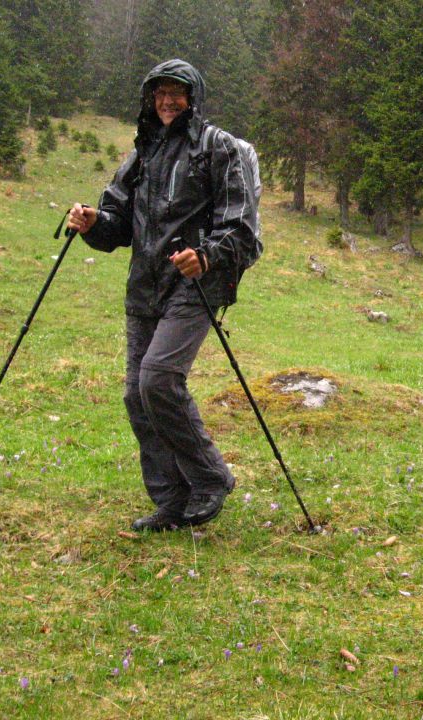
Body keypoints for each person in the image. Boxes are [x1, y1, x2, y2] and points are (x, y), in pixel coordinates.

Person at [67, 59, 261, 531]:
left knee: (158, 380)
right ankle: (171, 500)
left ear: (193, 97)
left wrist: (207, 256)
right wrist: (94, 223)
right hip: (145, 284)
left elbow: (242, 227)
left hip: (195, 283)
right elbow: (117, 223)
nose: (168, 101)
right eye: (160, 94)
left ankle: (210, 477)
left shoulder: (219, 149)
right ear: (150, 100)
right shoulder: (143, 153)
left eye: (177, 92)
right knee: (137, 395)